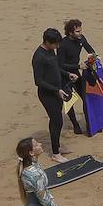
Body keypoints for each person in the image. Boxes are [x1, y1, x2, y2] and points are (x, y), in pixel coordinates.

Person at [32, 27, 73, 161]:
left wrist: (67, 74)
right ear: (47, 42)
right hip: (48, 95)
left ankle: (57, 146)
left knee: (58, 121)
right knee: (56, 121)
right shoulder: (39, 56)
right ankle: (55, 153)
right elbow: (38, 81)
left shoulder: (51, 51)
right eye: (55, 43)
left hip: (58, 91)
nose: (57, 46)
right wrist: (56, 90)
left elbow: (56, 68)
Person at [58, 19, 96, 136]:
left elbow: (90, 50)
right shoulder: (63, 45)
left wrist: (91, 59)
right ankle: (75, 124)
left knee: (85, 98)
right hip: (64, 74)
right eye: (77, 31)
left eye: (80, 30)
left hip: (76, 73)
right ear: (70, 32)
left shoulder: (81, 39)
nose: (80, 33)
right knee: (69, 101)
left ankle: (90, 123)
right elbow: (60, 64)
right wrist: (78, 66)